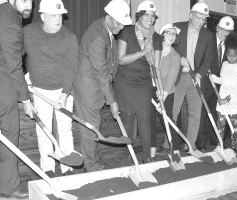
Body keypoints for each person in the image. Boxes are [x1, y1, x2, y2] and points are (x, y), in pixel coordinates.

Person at [73, 0, 132, 172]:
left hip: (96, 89)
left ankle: (95, 163)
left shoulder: (105, 28)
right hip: (88, 91)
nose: (121, 27)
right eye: (119, 22)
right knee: (90, 132)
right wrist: (112, 101)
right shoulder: (98, 36)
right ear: (110, 16)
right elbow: (101, 74)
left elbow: (110, 64)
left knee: (95, 128)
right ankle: (92, 170)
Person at [24, 0, 79, 177]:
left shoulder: (69, 37)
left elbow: (72, 67)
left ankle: (67, 167)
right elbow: (15, 57)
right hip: (39, 90)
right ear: (42, 16)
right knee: (43, 130)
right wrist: (25, 80)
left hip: (63, 90)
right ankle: (47, 168)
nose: (58, 19)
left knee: (64, 129)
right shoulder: (28, 33)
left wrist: (65, 93)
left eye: (60, 15)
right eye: (53, 15)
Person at [114, 0, 161, 163]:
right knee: (127, 118)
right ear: (139, 16)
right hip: (125, 81)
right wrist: (142, 53)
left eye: (152, 15)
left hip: (144, 83)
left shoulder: (157, 38)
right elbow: (121, 60)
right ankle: (127, 157)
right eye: (146, 15)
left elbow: (156, 66)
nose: (150, 18)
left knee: (145, 119)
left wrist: (160, 89)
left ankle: (147, 158)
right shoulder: (127, 32)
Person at [0, 0, 36, 198]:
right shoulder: (11, 22)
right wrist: (26, 99)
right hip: (3, 91)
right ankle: (10, 187)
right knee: (8, 139)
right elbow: (14, 65)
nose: (29, 4)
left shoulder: (4, 13)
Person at [172, 2, 215, 151]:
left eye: (203, 19)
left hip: (195, 78)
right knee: (173, 112)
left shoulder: (208, 35)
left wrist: (199, 74)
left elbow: (208, 59)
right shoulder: (177, 28)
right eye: (198, 17)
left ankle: (189, 146)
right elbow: (168, 49)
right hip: (178, 76)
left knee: (195, 115)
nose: (200, 21)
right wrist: (179, 59)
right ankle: (170, 144)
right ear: (191, 15)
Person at [195, 16, 234, 152]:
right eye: (222, 29)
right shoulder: (207, 39)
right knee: (202, 114)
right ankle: (201, 144)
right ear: (217, 28)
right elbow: (199, 58)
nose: (224, 33)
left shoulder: (230, 46)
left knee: (215, 113)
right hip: (205, 82)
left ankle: (213, 141)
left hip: (219, 85)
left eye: (228, 31)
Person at [211, 33, 237, 147]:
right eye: (229, 55)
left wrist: (227, 99)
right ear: (226, 53)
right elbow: (223, 80)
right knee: (220, 125)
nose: (231, 58)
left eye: (234, 56)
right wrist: (212, 77)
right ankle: (219, 146)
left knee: (234, 128)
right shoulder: (225, 64)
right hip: (222, 99)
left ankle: (234, 147)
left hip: (234, 101)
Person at [152, 24, 181, 155]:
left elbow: (171, 78)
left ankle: (175, 149)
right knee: (149, 119)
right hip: (149, 88)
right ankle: (151, 147)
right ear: (162, 34)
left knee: (167, 119)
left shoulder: (176, 56)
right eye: (169, 33)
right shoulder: (153, 49)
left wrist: (163, 95)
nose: (172, 36)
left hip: (166, 92)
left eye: (174, 34)